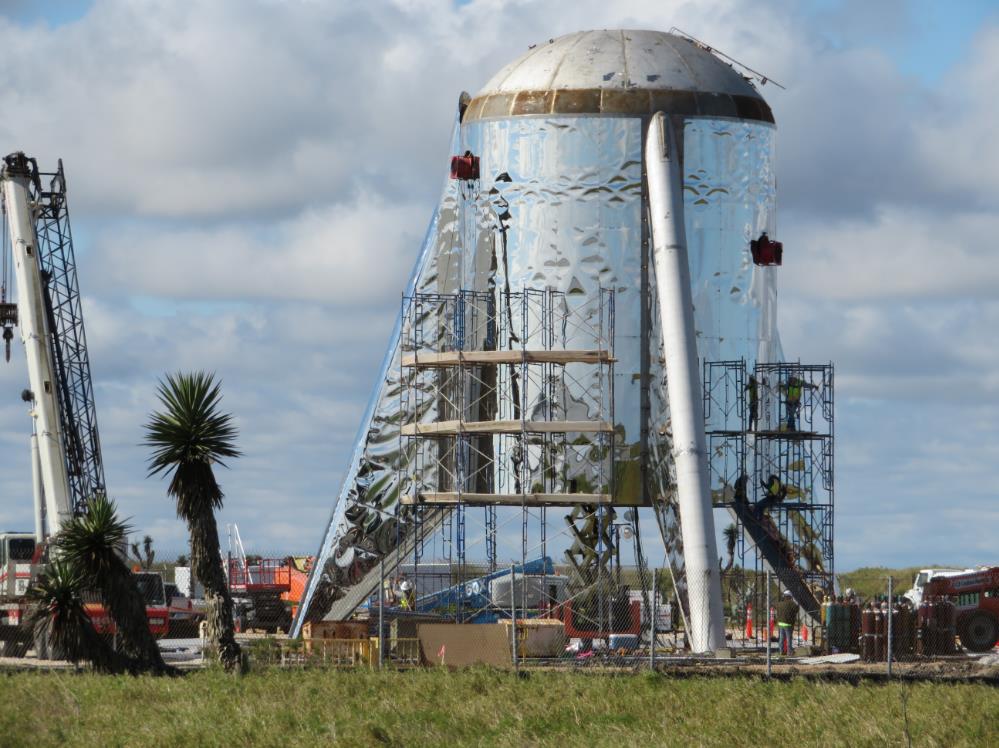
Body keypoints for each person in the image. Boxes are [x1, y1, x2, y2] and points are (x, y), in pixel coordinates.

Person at [776, 590, 798, 655]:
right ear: (790, 596)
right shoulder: (792, 603)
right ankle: (789, 652)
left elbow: (776, 607)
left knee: (781, 638)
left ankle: (781, 651)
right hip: (788, 624)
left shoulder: (779, 603)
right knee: (789, 638)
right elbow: (797, 609)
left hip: (780, 623)